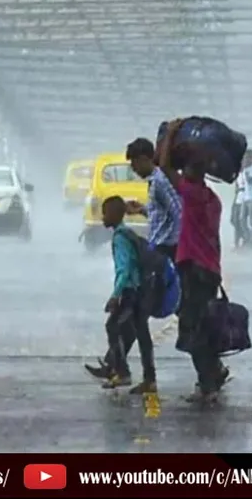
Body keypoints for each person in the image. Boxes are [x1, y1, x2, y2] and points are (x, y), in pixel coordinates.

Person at [86, 137, 182, 382]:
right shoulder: (155, 184)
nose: (133, 170)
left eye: (134, 165)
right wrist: (141, 210)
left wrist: (165, 246)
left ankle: (142, 376)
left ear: (144, 159)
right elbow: (162, 214)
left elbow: (178, 213)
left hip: (160, 256)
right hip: (156, 253)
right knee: (133, 318)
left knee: (138, 320)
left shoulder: (159, 182)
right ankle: (116, 366)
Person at [159, 119, 229, 403]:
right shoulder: (214, 199)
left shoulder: (190, 194)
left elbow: (163, 167)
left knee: (192, 326)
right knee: (204, 324)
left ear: (192, 173)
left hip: (194, 269)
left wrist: (173, 132)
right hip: (210, 269)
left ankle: (208, 382)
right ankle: (213, 373)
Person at [99, 196, 156, 394]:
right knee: (141, 332)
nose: (102, 217)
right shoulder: (128, 233)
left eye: (105, 213)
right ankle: (149, 378)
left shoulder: (120, 237)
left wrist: (116, 295)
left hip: (130, 291)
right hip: (141, 289)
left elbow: (124, 269)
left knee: (112, 326)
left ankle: (122, 372)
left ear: (114, 215)